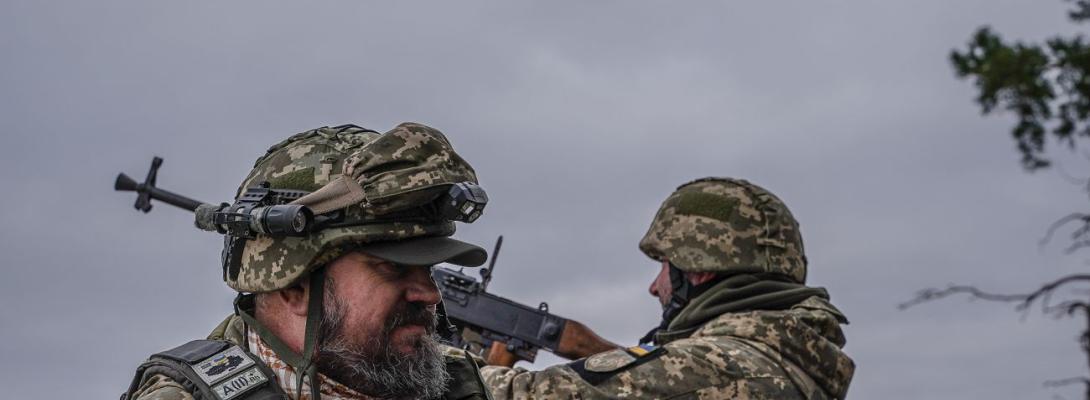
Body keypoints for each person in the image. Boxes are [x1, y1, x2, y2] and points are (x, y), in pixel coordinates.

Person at [121, 123, 494, 400]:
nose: (429, 294)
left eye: (428, 269)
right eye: (393, 267)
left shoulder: (451, 384)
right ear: (294, 286)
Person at [481, 177, 855, 399]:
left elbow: (516, 396)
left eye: (663, 266)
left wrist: (439, 358)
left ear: (699, 270)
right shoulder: (793, 366)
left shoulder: (716, 367)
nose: (654, 286)